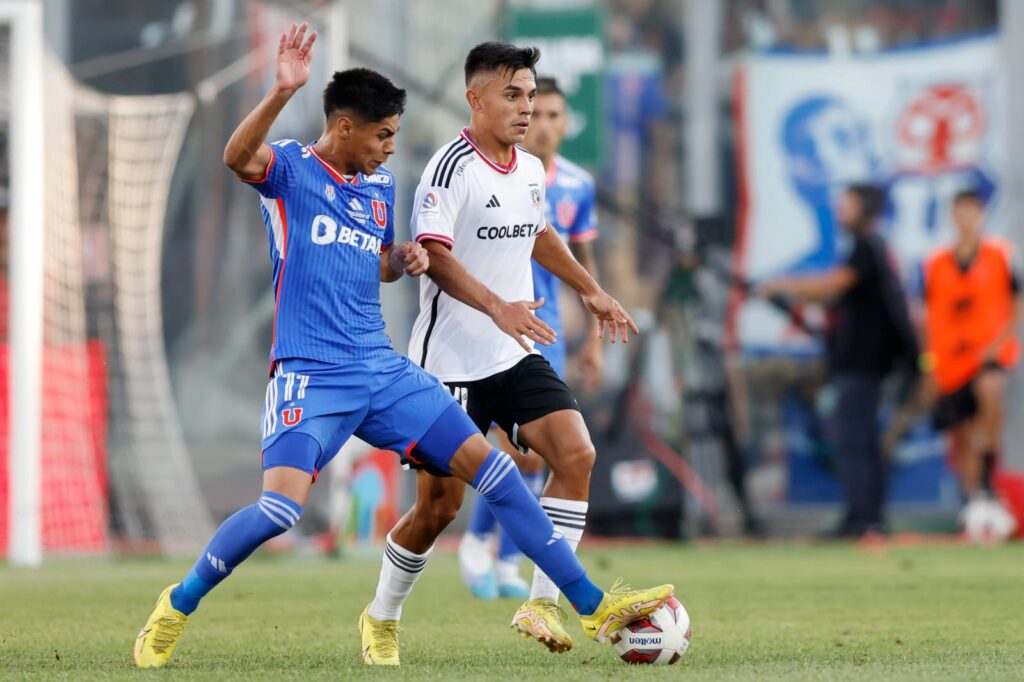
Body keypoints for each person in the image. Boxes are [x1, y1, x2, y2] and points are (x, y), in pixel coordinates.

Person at [132, 24, 672, 670]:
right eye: (383, 135)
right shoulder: (292, 172)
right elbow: (236, 158)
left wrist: (401, 258)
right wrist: (281, 91)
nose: (391, 148)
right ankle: (178, 604)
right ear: (344, 128)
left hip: (383, 370)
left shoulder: (379, 188)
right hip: (311, 376)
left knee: (495, 473)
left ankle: (589, 603)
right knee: (278, 509)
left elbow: (375, 262)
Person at [360, 42, 653, 661]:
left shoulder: (529, 169)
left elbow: (538, 231)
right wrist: (498, 306)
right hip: (449, 367)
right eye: (513, 95)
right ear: (476, 99)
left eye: (530, 94)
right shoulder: (449, 169)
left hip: (514, 353)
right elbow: (433, 255)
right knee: (438, 510)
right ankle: (381, 616)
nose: (526, 107)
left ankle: (542, 601)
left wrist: (592, 291)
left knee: (576, 454)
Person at [457, 76, 602, 600]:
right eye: (535, 113)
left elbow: (584, 262)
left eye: (553, 116)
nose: (542, 124)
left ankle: (506, 561)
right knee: (518, 456)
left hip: (551, 335)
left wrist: (592, 339)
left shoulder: (576, 186)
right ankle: (479, 544)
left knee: (547, 456)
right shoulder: (496, 175)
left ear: (565, 124)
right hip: (492, 332)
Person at [758, 184, 916, 538]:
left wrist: (782, 285)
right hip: (858, 364)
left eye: (848, 205)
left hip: (864, 365)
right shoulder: (868, 248)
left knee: (858, 442)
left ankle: (864, 519)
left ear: (866, 209)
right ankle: (864, 516)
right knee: (858, 441)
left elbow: (833, 285)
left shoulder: (867, 246)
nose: (840, 210)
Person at [921, 188, 1021, 529]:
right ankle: (975, 503)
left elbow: (1015, 301)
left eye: (971, 211)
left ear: (981, 215)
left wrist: (1001, 341)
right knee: (961, 435)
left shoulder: (999, 255)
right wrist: (929, 364)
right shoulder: (936, 263)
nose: (965, 219)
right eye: (959, 212)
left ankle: (987, 481)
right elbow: (928, 314)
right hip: (950, 361)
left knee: (990, 392)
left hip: (987, 354)